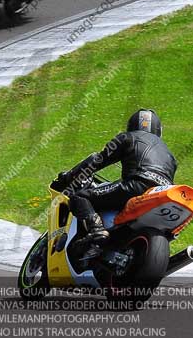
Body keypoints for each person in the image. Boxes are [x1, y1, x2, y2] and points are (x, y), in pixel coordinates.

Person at [54, 109, 177, 258]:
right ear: (158, 130)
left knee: (80, 197)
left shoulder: (127, 137)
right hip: (162, 193)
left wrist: (69, 177)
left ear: (131, 125)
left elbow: (97, 161)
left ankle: (97, 230)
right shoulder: (170, 155)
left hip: (137, 184)